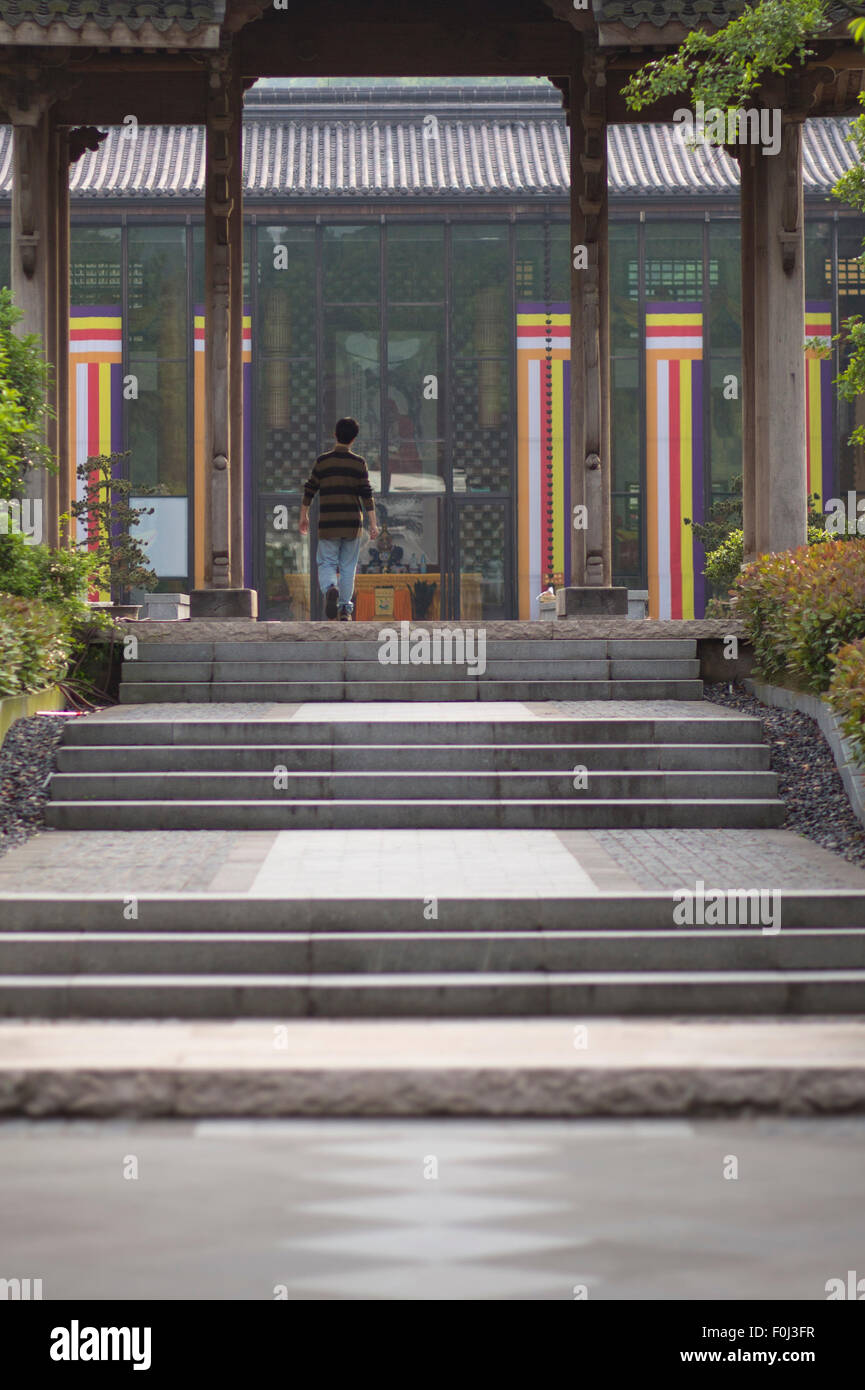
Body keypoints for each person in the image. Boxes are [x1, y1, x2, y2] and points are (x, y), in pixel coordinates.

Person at [300, 418, 378, 621]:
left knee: (326, 562)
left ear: (335, 435)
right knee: (347, 567)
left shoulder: (323, 462)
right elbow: (366, 494)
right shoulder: (359, 463)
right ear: (354, 439)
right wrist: (373, 523)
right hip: (352, 524)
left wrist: (304, 515)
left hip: (328, 524)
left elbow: (310, 488)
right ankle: (345, 609)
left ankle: (329, 588)